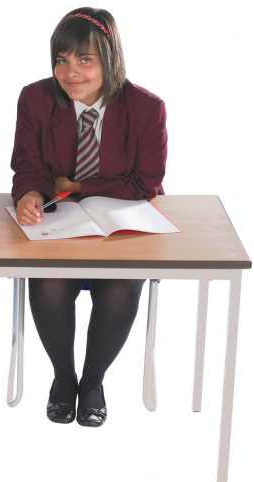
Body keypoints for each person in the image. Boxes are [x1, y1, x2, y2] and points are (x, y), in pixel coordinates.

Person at [11, 7, 167, 427]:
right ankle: (64, 378)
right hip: (59, 225)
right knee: (48, 282)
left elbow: (145, 183)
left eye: (85, 59)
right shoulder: (36, 98)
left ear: (109, 60)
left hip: (124, 224)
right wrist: (30, 194)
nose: (70, 73)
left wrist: (77, 187)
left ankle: (93, 381)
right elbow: (27, 166)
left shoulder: (147, 108)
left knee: (120, 285)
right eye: (61, 60)